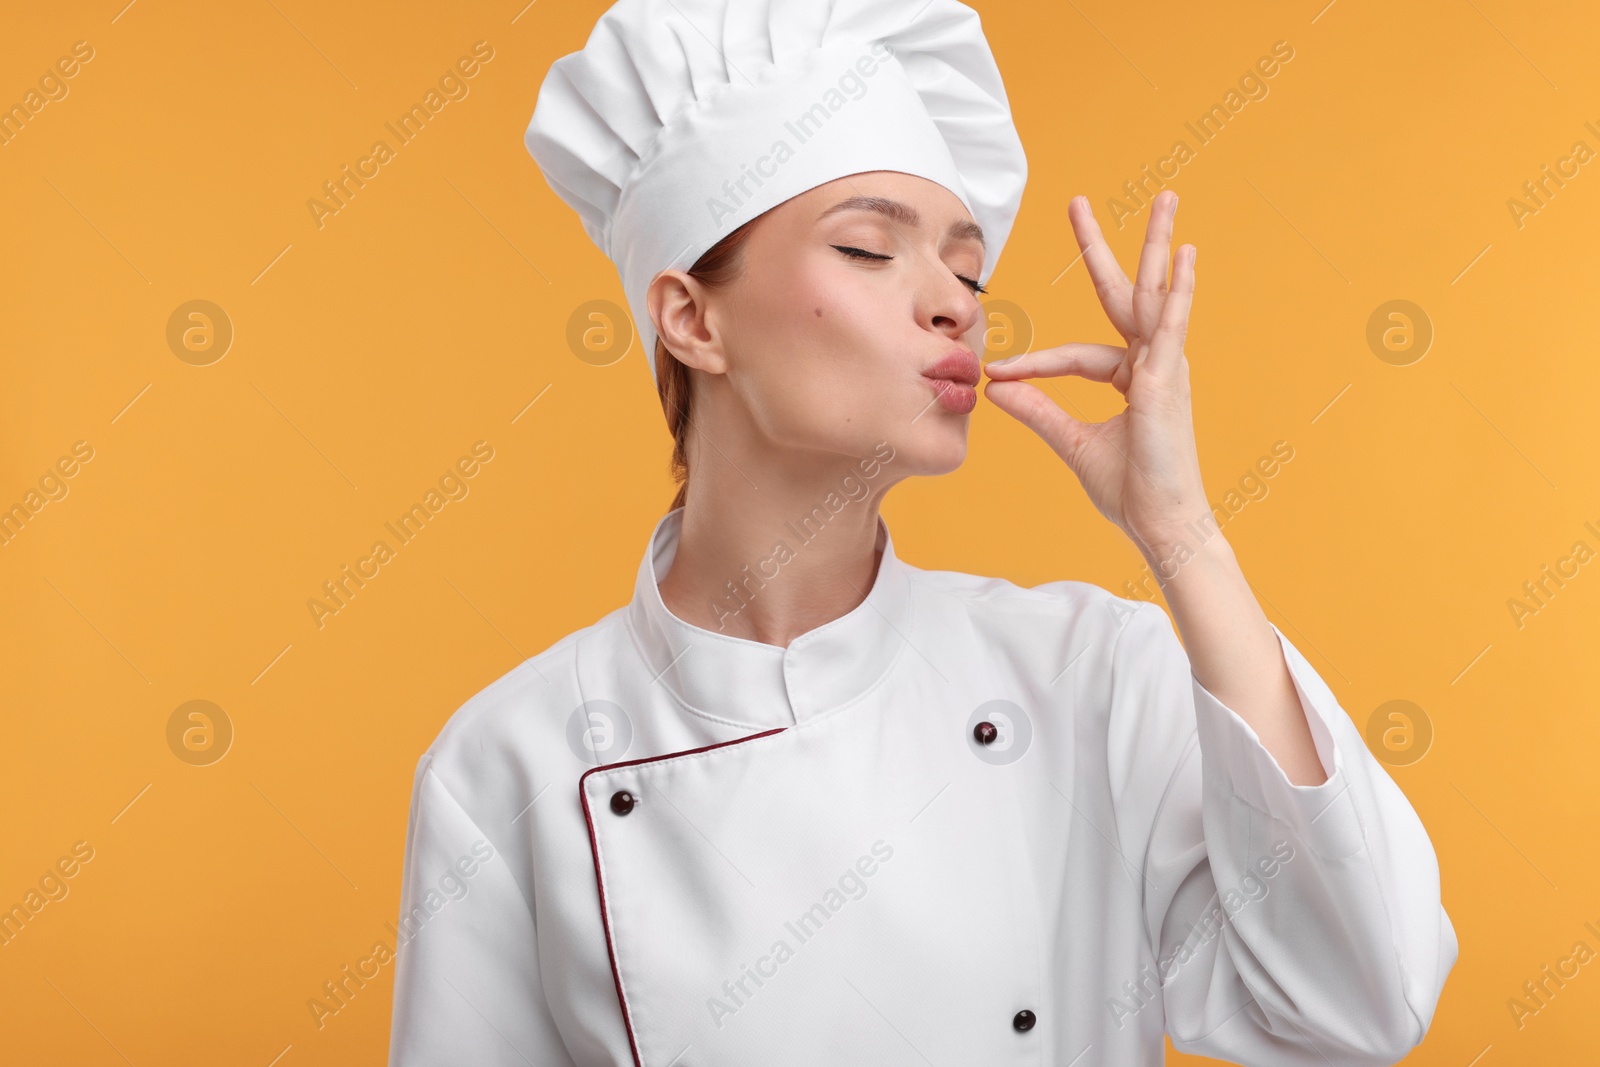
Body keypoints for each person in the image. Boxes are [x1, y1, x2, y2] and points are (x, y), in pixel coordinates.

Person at [387, 1, 1457, 1064]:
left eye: (968, 268)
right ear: (690, 318)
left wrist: (1180, 532)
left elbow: (1359, 997)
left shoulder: (1084, 678)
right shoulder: (503, 766)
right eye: (866, 248)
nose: (954, 303)